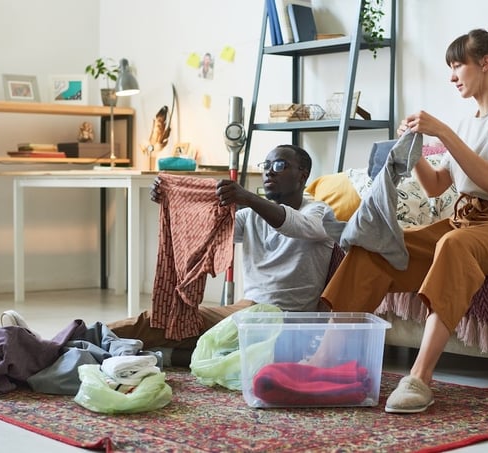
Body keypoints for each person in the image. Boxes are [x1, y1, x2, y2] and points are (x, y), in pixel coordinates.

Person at [321, 22, 488, 413]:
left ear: (485, 63)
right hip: (466, 221)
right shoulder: (466, 123)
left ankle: (420, 378)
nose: (452, 75)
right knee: (376, 245)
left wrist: (441, 130)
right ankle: (326, 361)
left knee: (453, 244)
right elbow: (437, 186)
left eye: (458, 66)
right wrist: (415, 147)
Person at [106, 144, 344, 366]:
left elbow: (294, 225)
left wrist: (248, 198)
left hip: (288, 323)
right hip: (247, 310)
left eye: (280, 166)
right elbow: (203, 228)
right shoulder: (250, 217)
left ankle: (163, 356)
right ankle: (84, 337)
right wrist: (171, 200)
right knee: (168, 320)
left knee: (238, 353)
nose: (269, 172)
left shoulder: (318, 212)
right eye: (266, 166)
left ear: (303, 176)